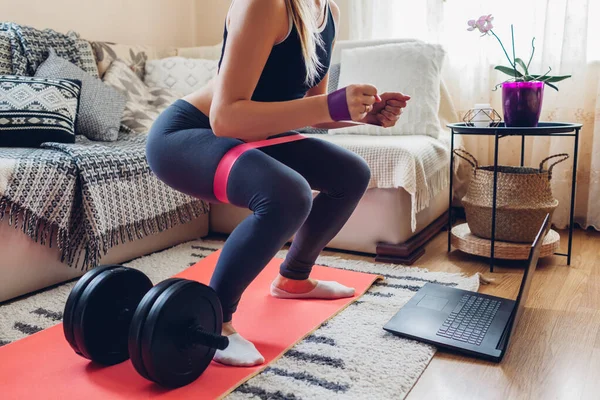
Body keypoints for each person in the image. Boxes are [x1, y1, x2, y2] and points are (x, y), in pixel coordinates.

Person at [146, 0, 410, 367]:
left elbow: (312, 107)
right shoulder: (265, 5)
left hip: (249, 134)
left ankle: (294, 280)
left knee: (351, 174)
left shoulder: (328, 12)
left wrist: (363, 116)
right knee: (287, 194)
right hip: (187, 135)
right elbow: (225, 118)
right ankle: (213, 320)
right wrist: (331, 106)